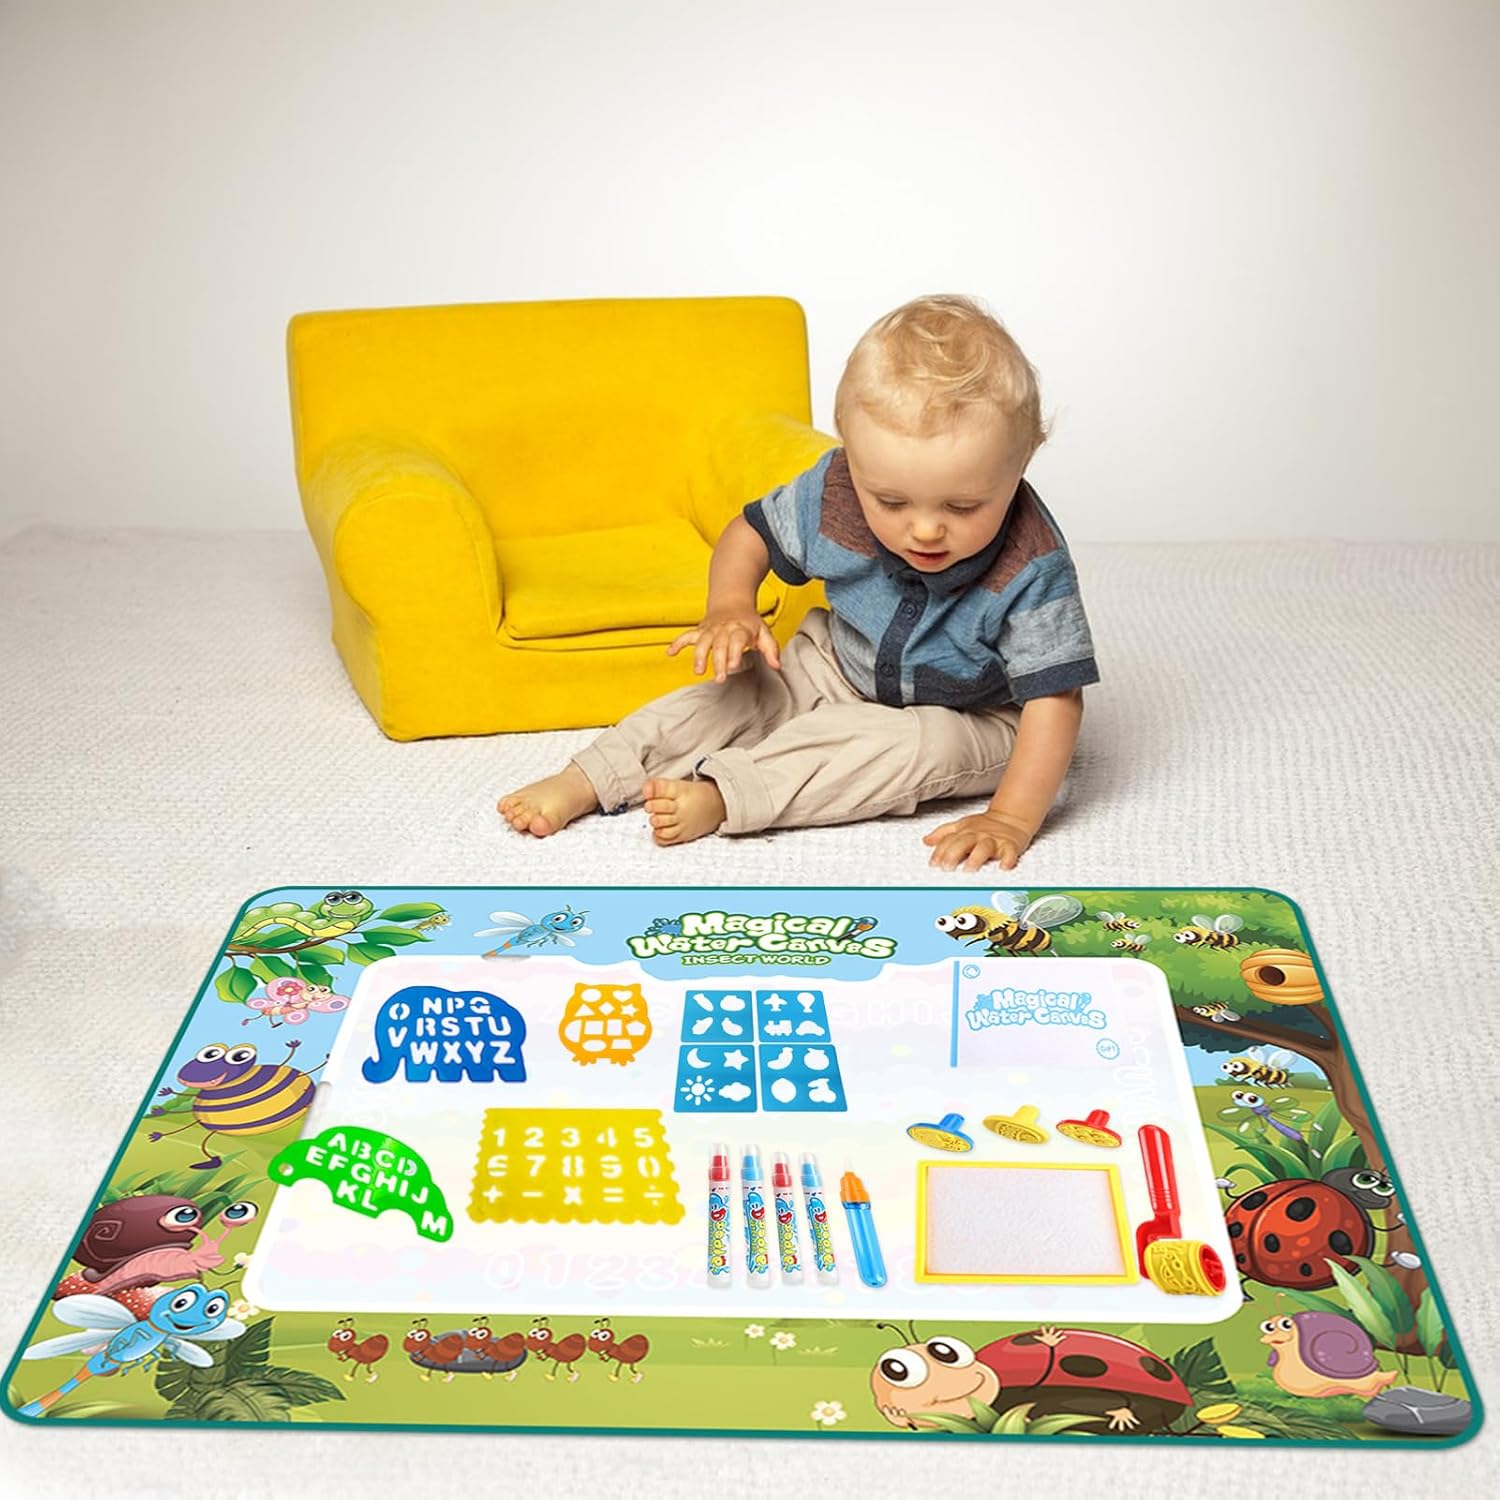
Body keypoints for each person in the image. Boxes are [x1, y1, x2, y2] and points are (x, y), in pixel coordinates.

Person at [498, 294, 1098, 871]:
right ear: (851, 457)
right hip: (839, 664)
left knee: (912, 748)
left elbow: (1056, 701)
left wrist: (1010, 818)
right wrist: (730, 605)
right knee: (739, 692)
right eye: (890, 501)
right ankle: (590, 777)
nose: (924, 529)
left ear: (1019, 466)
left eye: (963, 507)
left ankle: (729, 796)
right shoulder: (834, 491)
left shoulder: (1032, 566)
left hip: (974, 716)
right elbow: (750, 534)